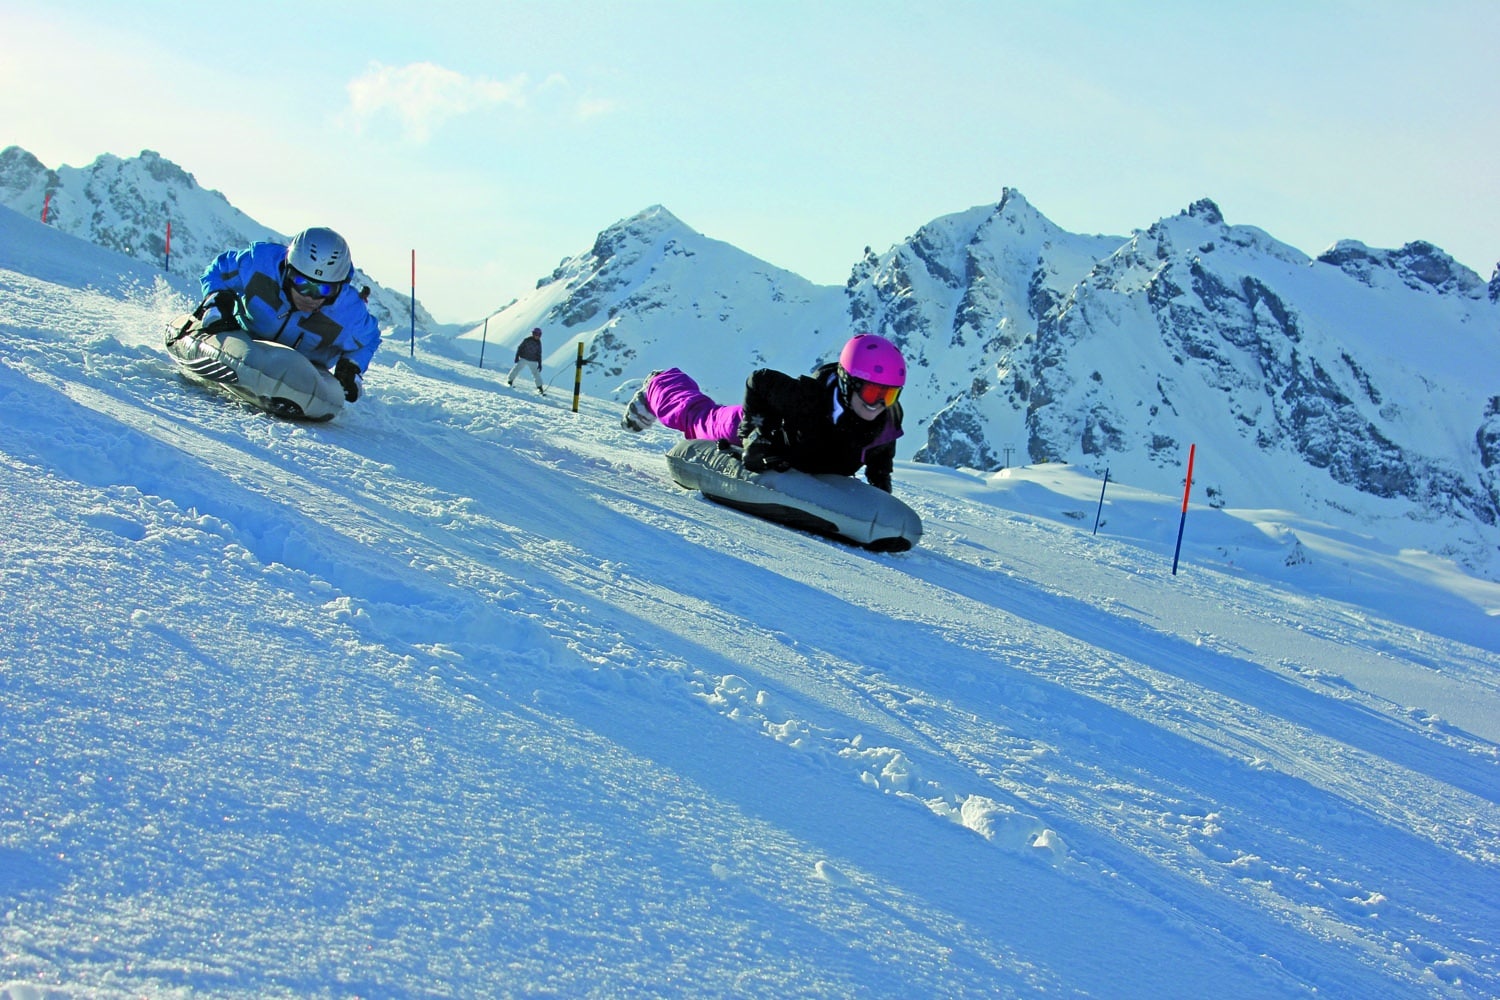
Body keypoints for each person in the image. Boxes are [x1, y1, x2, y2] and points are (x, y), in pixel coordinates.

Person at [620, 333, 906, 492]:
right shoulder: (806, 398)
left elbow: (881, 453)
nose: (880, 404)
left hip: (804, 456)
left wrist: (881, 486)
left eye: (890, 395)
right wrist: (755, 434)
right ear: (848, 384)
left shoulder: (886, 420)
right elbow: (759, 380)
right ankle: (659, 384)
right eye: (872, 393)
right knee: (697, 418)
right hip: (751, 425)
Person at [191, 227, 381, 403]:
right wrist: (217, 301)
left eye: (323, 289)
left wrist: (352, 366)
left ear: (339, 288)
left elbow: (369, 339)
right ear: (287, 271)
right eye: (301, 283)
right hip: (245, 336)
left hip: (303, 364)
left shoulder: (349, 312)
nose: (309, 296)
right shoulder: (260, 263)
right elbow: (219, 270)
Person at [508, 327, 546, 395]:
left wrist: (540, 364)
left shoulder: (539, 343)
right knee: (516, 369)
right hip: (524, 358)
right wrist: (517, 356)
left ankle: (540, 388)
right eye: (536, 334)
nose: (537, 336)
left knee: (536, 374)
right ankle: (510, 381)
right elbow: (520, 348)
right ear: (533, 334)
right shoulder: (527, 340)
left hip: (533, 361)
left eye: (539, 335)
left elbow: (539, 354)